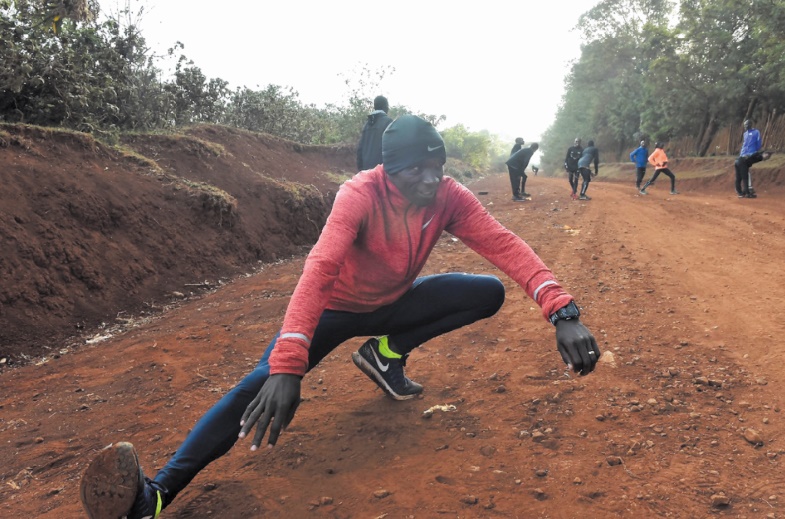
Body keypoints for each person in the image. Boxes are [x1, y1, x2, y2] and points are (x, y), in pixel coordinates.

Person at [80, 115, 600, 519]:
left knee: (484, 292)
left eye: (436, 166)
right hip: (336, 309)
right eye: (414, 169)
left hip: (394, 301)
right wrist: (289, 363)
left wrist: (562, 310)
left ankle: (386, 353)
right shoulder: (359, 194)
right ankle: (155, 496)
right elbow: (321, 268)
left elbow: (503, 245)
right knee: (258, 386)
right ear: (388, 169)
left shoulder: (448, 196)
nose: (429, 178)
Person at [356, 95, 393, 171]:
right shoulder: (388, 123)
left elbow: (360, 150)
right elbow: (393, 149)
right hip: (382, 172)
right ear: (385, 107)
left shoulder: (367, 125)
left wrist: (361, 171)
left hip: (367, 172)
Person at [734, 119, 767, 198]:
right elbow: (758, 143)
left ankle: (741, 193)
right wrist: (758, 151)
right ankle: (747, 193)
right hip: (748, 156)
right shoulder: (755, 132)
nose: (746, 126)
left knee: (739, 177)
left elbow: (746, 145)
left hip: (741, 157)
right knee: (744, 176)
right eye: (745, 125)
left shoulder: (747, 133)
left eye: (746, 125)